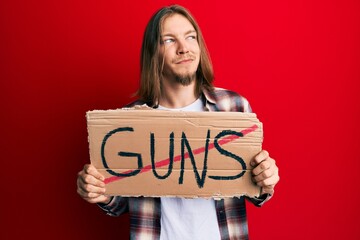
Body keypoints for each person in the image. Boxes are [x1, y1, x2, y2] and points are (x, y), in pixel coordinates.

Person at [77, 5, 279, 240]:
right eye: (169, 40)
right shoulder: (130, 121)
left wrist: (265, 179)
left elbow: (254, 191)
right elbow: (121, 201)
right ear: (154, 53)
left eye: (190, 37)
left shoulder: (234, 107)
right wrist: (99, 192)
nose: (184, 48)